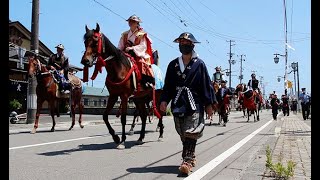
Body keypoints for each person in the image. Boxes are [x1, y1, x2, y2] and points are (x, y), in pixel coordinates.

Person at [159, 32, 217, 175]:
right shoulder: (173, 65)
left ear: (192, 45)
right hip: (179, 102)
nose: (183, 46)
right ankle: (190, 155)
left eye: (186, 43)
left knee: (192, 130)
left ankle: (187, 160)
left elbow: (205, 85)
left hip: (195, 102)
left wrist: (209, 105)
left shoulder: (200, 64)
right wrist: (164, 100)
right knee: (182, 132)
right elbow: (168, 85)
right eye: (181, 43)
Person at [118, 14, 155, 89]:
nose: (131, 22)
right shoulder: (124, 34)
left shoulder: (141, 34)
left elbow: (143, 46)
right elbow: (120, 46)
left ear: (137, 23)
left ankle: (145, 82)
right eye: (130, 21)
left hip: (137, 54)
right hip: (125, 54)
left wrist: (132, 48)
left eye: (133, 21)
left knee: (141, 63)